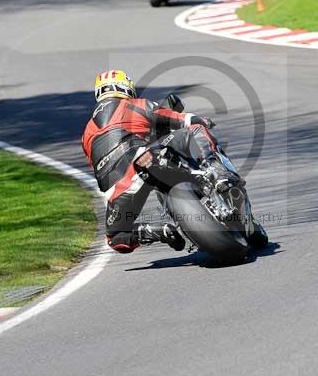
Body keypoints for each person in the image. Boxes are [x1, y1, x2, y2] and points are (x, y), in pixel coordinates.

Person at [82, 70, 256, 254]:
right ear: (126, 88)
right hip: (142, 156)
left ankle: (156, 232)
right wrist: (198, 119)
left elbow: (95, 168)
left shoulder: (86, 132)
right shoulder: (134, 104)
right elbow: (174, 117)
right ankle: (216, 171)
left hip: (117, 186)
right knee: (195, 129)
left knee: (116, 238)